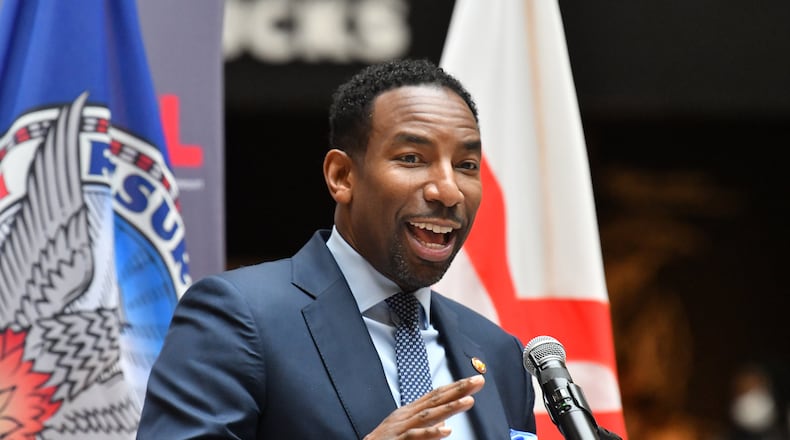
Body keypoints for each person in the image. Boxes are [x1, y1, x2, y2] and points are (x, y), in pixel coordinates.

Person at [136, 58, 538, 439]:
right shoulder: (237, 316)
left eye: (467, 165)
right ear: (342, 176)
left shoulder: (500, 355)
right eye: (412, 158)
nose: (448, 190)